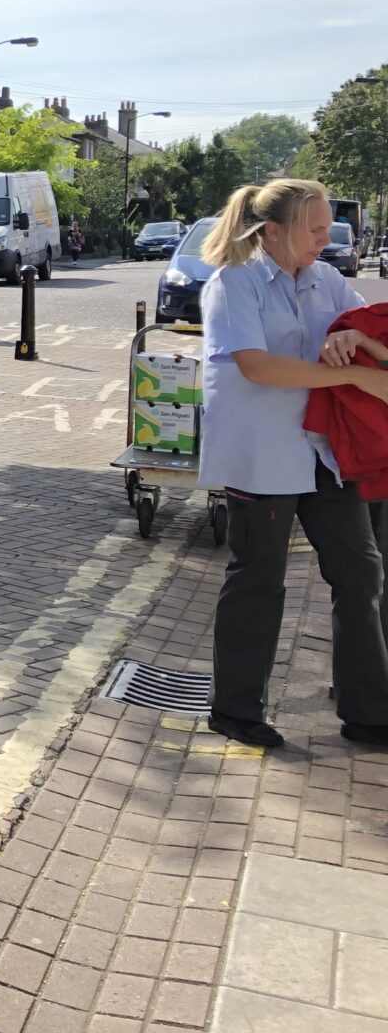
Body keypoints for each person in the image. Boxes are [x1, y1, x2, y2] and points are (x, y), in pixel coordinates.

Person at [195, 179, 388, 751]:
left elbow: (378, 336)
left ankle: (367, 709)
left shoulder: (328, 279)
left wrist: (360, 337)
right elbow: (257, 367)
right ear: (273, 231)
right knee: (259, 581)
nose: (327, 241)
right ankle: (234, 710)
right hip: (262, 456)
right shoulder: (235, 282)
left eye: (329, 228)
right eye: (316, 229)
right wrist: (352, 374)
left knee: (360, 573)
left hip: (322, 452)